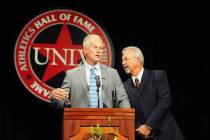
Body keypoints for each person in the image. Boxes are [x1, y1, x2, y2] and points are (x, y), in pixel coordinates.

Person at [50, 34, 130, 109]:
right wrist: (55, 96)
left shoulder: (112, 73)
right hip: (79, 121)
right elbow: (61, 102)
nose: (98, 51)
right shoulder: (72, 75)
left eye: (101, 48)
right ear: (85, 50)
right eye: (95, 47)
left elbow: (122, 100)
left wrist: (127, 119)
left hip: (106, 121)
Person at [121, 46, 185, 140]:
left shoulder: (158, 76)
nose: (123, 63)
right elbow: (128, 111)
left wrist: (148, 125)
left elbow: (164, 102)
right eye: (122, 60)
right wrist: (140, 128)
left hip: (166, 133)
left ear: (138, 60)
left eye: (126, 59)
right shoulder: (124, 86)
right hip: (144, 135)